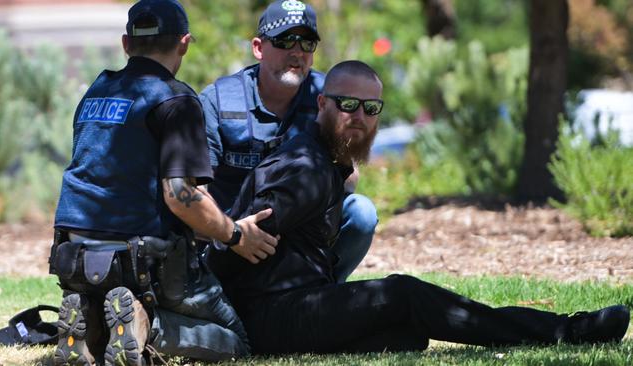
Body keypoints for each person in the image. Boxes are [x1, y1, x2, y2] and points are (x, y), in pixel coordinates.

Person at [206, 60, 631, 354]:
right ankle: (564, 330)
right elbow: (240, 237)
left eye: (371, 109)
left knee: (408, 334)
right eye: (348, 105)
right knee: (403, 293)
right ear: (322, 104)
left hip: (296, 304)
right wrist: (233, 251)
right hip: (271, 316)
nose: (360, 117)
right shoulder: (306, 167)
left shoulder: (325, 160)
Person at [48, 1, 278, 364]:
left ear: (127, 44)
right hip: (139, 261)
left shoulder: (97, 90)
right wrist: (234, 234)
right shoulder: (176, 99)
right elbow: (179, 196)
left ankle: (92, 318)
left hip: (73, 259)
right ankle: (146, 322)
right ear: (184, 43)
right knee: (235, 340)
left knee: (112, 294)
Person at [199, 0, 377, 282]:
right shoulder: (218, 100)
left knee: (362, 213)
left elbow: (349, 180)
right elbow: (194, 192)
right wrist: (232, 232)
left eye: (307, 43)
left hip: (303, 234)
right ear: (258, 48)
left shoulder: (328, 96)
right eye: (284, 40)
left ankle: (326, 291)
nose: (297, 52)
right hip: (233, 235)